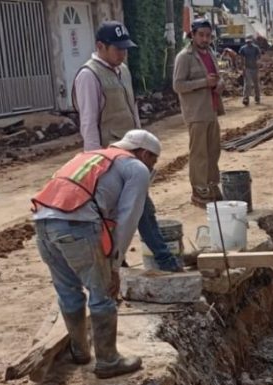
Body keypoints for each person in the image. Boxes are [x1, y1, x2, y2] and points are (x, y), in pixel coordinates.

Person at [31, 130, 161, 379]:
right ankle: (108, 360)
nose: (151, 168)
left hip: (43, 223)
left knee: (68, 290)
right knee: (102, 294)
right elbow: (128, 217)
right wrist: (114, 264)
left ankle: (79, 352)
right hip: (78, 226)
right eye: (153, 161)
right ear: (145, 153)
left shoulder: (92, 156)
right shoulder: (136, 168)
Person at [72, 21, 180, 272]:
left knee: (138, 208)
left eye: (125, 49)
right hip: (109, 160)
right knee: (133, 210)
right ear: (100, 46)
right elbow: (88, 123)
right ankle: (157, 259)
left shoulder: (123, 71)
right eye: (118, 49)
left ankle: (121, 260)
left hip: (131, 155)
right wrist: (93, 164)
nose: (123, 54)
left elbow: (132, 112)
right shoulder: (89, 76)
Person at [173, 19, 224, 207]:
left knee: (213, 151)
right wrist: (204, 83)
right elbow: (178, 85)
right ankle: (199, 189)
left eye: (208, 36)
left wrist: (220, 85)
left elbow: (217, 77)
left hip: (211, 109)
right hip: (196, 113)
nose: (205, 39)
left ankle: (211, 184)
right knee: (199, 153)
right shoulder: (184, 57)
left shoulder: (210, 53)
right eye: (201, 35)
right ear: (192, 35)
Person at [238, 35, 262, 106]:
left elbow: (259, 56)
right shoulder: (243, 49)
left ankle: (257, 98)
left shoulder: (256, 48)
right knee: (247, 84)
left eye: (250, 41)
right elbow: (242, 58)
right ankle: (246, 98)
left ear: (252, 41)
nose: (249, 43)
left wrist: (257, 62)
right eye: (247, 42)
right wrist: (242, 67)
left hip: (255, 68)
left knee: (256, 84)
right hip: (247, 68)